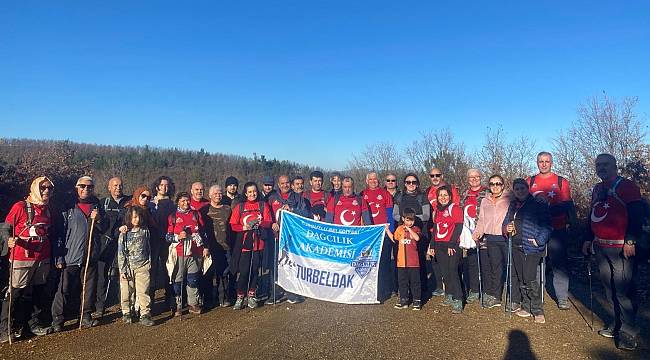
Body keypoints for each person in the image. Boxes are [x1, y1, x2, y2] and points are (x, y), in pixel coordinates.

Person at [582, 153, 644, 351]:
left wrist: (631, 240)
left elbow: (637, 216)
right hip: (601, 246)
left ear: (615, 165)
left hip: (621, 247)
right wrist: (586, 239)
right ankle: (617, 324)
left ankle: (629, 331)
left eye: (605, 164)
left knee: (623, 291)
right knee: (609, 290)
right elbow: (592, 215)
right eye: (598, 165)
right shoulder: (597, 188)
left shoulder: (627, 186)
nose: (601, 168)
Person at [0, 176, 55, 343]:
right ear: (35, 188)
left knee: (37, 292)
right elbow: (5, 226)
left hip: (42, 258)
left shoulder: (48, 209)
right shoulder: (20, 206)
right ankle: (5, 329)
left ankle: (32, 324)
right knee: (15, 293)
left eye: (49, 188)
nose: (46, 191)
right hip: (21, 258)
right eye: (43, 187)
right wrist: (8, 239)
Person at [51, 176, 106, 332]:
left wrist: (99, 219)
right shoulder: (68, 205)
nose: (85, 189)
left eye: (89, 186)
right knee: (64, 289)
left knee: (88, 288)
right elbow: (59, 233)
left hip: (90, 254)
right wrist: (59, 255)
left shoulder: (97, 205)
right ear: (77, 187)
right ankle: (58, 320)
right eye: (82, 186)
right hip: (70, 255)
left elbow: (104, 228)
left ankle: (85, 316)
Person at [526, 152, 576, 310]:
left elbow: (567, 204)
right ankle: (537, 294)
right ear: (537, 163)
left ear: (551, 163)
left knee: (559, 264)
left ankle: (562, 297)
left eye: (547, 161)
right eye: (541, 161)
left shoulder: (561, 181)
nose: (544, 164)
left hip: (557, 229)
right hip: (536, 230)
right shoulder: (530, 181)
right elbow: (525, 204)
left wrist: (546, 210)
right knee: (537, 263)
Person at [504, 179, 552, 324]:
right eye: (517, 189)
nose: (520, 191)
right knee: (521, 278)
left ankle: (538, 310)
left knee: (529, 277)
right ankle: (526, 306)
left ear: (528, 188)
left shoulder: (537, 204)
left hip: (531, 247)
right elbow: (506, 221)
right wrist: (507, 228)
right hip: (516, 246)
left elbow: (547, 225)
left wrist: (539, 240)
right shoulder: (513, 205)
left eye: (522, 188)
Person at [266, 175, 311, 304]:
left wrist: (293, 210)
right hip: (276, 237)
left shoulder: (297, 198)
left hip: (292, 239)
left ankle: (292, 293)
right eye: (282, 183)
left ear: (290, 184)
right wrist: (271, 224)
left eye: (287, 183)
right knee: (275, 265)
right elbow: (266, 215)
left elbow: (306, 214)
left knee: (291, 264)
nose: (285, 185)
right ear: (278, 185)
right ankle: (275, 293)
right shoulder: (272, 198)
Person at [229, 182, 272, 310]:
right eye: (250, 192)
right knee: (244, 272)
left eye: (254, 191)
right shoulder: (240, 207)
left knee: (254, 270)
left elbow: (268, 221)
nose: (252, 194)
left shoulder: (263, 205)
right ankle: (240, 296)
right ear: (245, 193)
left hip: (259, 243)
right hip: (244, 244)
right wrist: (245, 227)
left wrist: (260, 224)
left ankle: (252, 295)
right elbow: (233, 225)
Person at [165, 192, 209, 316]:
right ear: (178, 202)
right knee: (178, 281)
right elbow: (167, 236)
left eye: (187, 200)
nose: (186, 203)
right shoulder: (173, 216)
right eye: (183, 201)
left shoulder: (196, 214)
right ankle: (178, 305)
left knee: (193, 279)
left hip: (195, 252)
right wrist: (178, 236)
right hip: (179, 252)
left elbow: (203, 232)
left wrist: (206, 247)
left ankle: (193, 303)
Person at [473, 175, 512, 309]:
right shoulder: (485, 201)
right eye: (492, 184)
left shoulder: (510, 198)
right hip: (491, 238)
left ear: (503, 185)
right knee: (495, 268)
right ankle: (496, 296)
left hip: (506, 237)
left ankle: (514, 297)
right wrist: (478, 232)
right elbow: (482, 220)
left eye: (498, 184)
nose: (495, 186)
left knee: (511, 267)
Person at [95, 177, 131, 318]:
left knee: (123, 275)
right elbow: (98, 225)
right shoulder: (103, 203)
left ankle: (125, 304)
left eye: (120, 185)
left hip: (124, 245)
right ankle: (100, 306)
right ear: (109, 187)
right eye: (115, 185)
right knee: (102, 277)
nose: (118, 188)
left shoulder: (129, 202)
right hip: (106, 245)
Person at [392, 173, 431, 297]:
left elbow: (426, 215)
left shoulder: (422, 196)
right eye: (408, 182)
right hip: (403, 233)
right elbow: (395, 214)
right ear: (404, 184)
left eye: (414, 182)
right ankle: (404, 290)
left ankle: (421, 289)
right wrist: (405, 222)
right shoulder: (399, 196)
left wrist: (411, 219)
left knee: (419, 261)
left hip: (420, 233)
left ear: (417, 184)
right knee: (404, 262)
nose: (411, 185)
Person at [427, 186, 464, 314]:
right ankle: (449, 294)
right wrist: (432, 246)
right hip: (439, 244)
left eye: (445, 195)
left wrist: (451, 244)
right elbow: (435, 229)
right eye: (440, 195)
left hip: (452, 245)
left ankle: (458, 299)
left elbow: (459, 227)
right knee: (444, 272)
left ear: (450, 196)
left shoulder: (455, 208)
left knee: (453, 271)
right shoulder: (437, 210)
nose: (443, 198)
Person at [117, 206, 154, 326]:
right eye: (133, 217)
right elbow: (121, 252)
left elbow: (148, 247)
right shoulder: (124, 233)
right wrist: (122, 270)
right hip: (128, 267)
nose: (136, 220)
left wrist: (149, 262)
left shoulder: (145, 231)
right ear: (129, 218)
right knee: (127, 291)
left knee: (143, 291)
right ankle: (127, 312)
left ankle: (145, 314)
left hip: (142, 266)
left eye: (138, 217)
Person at [201, 185, 235, 308]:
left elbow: (232, 227)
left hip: (225, 246)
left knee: (224, 273)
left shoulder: (227, 209)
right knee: (209, 274)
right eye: (215, 193)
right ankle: (209, 299)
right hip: (210, 247)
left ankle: (224, 298)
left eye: (220, 193)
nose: (218, 195)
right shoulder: (204, 210)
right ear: (209, 195)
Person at [361, 172, 394, 301]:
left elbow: (390, 214)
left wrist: (390, 232)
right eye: (371, 179)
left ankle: (384, 290)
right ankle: (368, 289)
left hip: (383, 234)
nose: (373, 181)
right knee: (368, 262)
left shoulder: (385, 194)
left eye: (375, 179)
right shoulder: (362, 195)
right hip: (369, 236)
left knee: (384, 263)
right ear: (366, 180)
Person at [460, 169, 489, 305]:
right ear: (468, 179)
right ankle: (475, 289)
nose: (474, 179)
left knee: (485, 262)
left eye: (477, 177)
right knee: (472, 262)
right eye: (471, 177)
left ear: (480, 177)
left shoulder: (487, 192)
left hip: (484, 232)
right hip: (468, 233)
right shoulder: (464, 194)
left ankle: (487, 290)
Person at [149, 176, 176, 312]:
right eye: (162, 185)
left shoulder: (172, 205)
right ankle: (150, 302)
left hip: (167, 241)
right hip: (153, 241)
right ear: (157, 186)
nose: (164, 187)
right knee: (151, 271)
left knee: (168, 270)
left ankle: (169, 299)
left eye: (167, 185)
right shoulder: (150, 203)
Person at [389, 208, 422, 310]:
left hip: (413, 263)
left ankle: (417, 300)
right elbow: (395, 239)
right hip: (401, 262)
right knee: (402, 282)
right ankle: (404, 299)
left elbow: (417, 238)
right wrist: (386, 231)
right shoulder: (399, 229)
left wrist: (410, 229)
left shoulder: (416, 229)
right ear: (403, 219)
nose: (410, 222)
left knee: (415, 282)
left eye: (412, 220)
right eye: (407, 220)